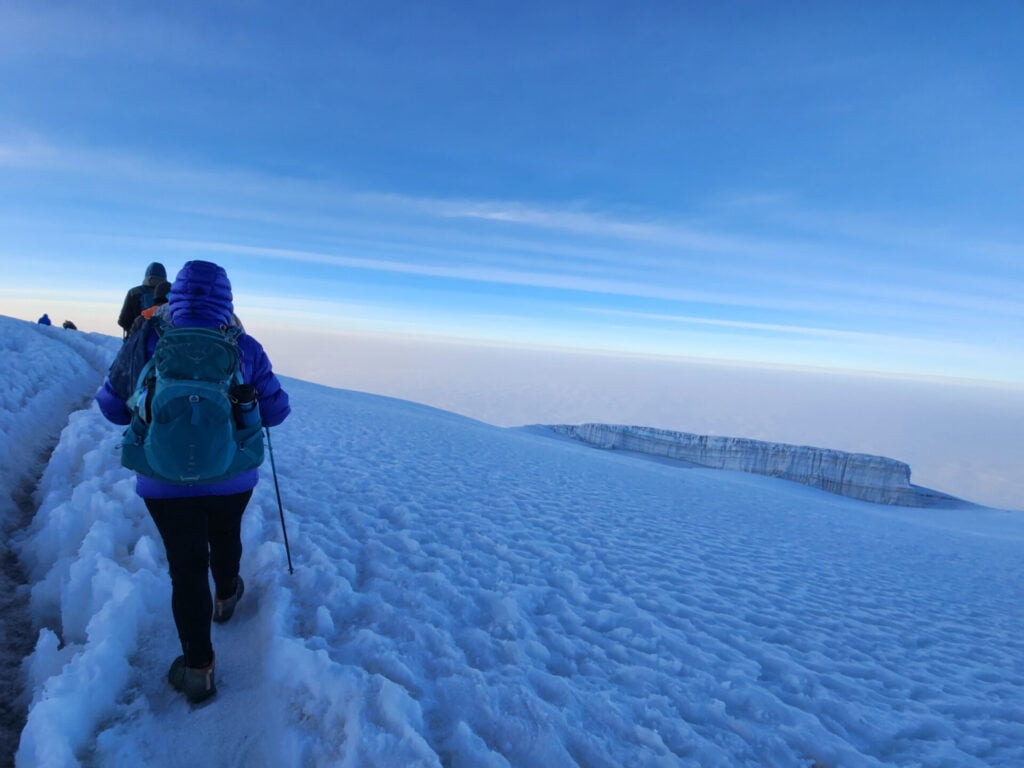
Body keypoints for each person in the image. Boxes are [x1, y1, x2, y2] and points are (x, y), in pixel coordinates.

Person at [96, 260, 290, 704]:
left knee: (185, 569)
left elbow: (112, 409)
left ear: (176, 292)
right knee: (225, 535)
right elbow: (276, 414)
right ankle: (226, 595)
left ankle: (198, 669)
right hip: (232, 474)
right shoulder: (244, 345)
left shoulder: (148, 336)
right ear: (227, 298)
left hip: (163, 478)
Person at [117, 262, 167, 339]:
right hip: (165, 340)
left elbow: (123, 321)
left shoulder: (134, 292)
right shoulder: (170, 293)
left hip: (138, 340)